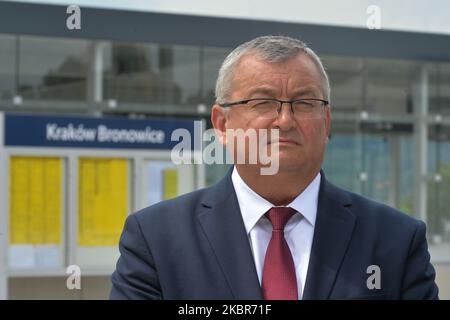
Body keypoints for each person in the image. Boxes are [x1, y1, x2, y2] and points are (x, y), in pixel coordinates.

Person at [110, 35, 439, 300]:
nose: (284, 120)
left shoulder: (396, 240)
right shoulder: (156, 239)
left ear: (326, 123)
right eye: (263, 102)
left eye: (304, 103)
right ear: (222, 125)